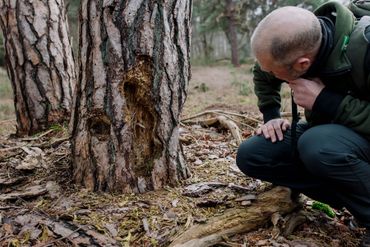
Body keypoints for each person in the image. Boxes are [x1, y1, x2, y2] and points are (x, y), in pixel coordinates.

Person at [236, 2, 370, 246]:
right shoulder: (295, 47)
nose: (270, 73)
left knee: (317, 145)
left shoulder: (365, 49)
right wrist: (271, 115)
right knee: (254, 155)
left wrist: (326, 101)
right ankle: (356, 204)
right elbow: (263, 71)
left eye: (275, 72)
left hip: (347, 140)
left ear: (303, 65)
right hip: (337, 137)